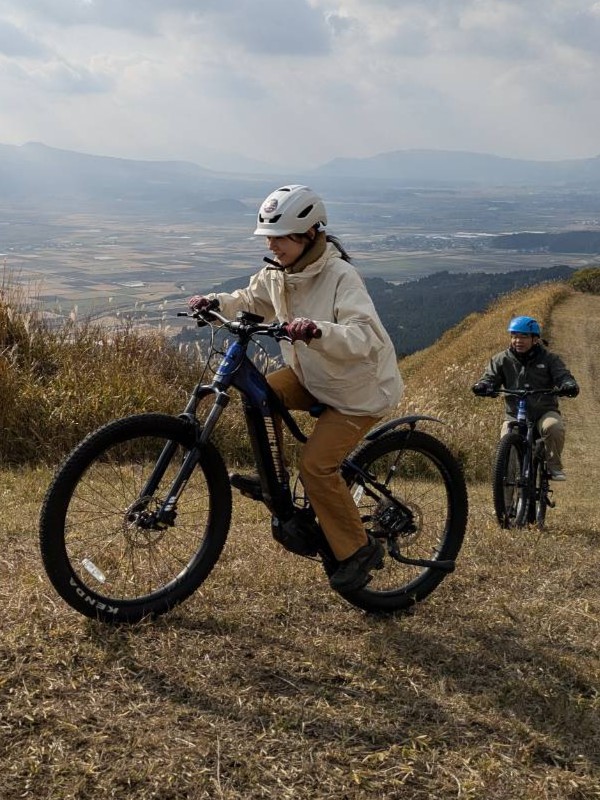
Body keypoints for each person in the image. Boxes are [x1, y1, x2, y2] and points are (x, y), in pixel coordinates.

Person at [188, 184, 403, 592]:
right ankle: (274, 484)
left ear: (309, 234)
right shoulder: (278, 274)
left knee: (317, 468)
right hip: (312, 376)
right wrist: (213, 303)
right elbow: (247, 299)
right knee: (259, 396)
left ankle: (359, 550)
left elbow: (363, 338)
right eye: (269, 237)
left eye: (281, 236)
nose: (273, 244)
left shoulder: (341, 277)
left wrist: (316, 330)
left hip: (357, 391)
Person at [472, 315, 579, 480]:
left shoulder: (549, 359)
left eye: (523, 336)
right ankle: (504, 505)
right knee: (506, 455)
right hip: (514, 415)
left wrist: (568, 384)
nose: (518, 341)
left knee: (554, 427)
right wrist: (484, 386)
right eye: (514, 336)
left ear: (535, 339)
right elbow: (490, 377)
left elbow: (563, 375)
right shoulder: (501, 359)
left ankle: (553, 467)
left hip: (544, 411)